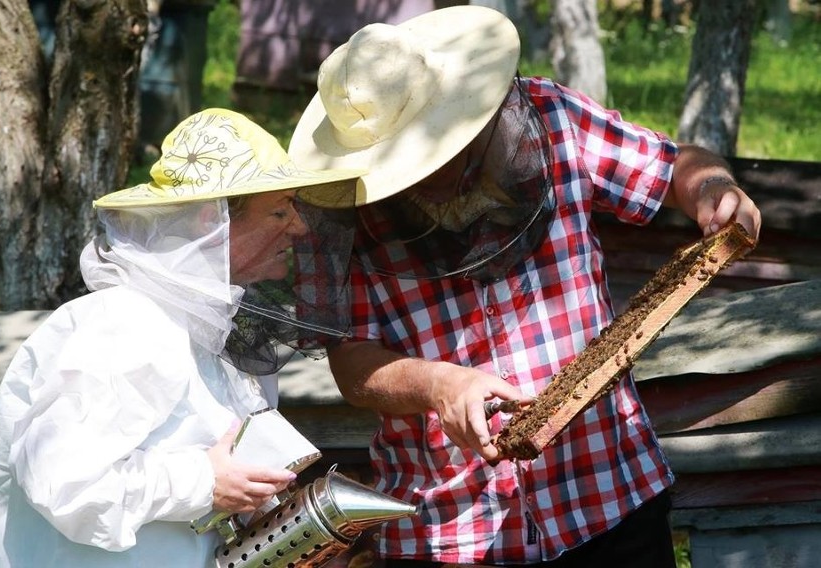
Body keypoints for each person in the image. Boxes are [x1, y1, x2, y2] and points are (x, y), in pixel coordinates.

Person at [287, 5, 762, 568]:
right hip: (450, 529)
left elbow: (673, 166)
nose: (432, 176)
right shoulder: (333, 205)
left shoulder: (553, 117)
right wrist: (437, 384)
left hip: (606, 497)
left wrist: (713, 187)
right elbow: (350, 364)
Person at [0, 108, 360, 567]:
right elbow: (62, 480)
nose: (299, 226)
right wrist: (204, 482)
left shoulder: (208, 330)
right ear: (210, 222)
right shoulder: (126, 326)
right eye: (279, 209)